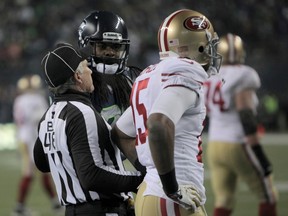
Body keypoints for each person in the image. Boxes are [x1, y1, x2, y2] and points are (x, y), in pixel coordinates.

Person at [111, 9, 222, 216]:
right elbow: (159, 123)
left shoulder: (153, 75)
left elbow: (120, 132)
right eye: (207, 44)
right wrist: (172, 187)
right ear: (193, 45)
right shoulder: (184, 74)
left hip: (154, 191)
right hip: (170, 197)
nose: (211, 51)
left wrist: (151, 170)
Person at [33, 43, 144, 216]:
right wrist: (139, 180)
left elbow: (42, 163)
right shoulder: (81, 113)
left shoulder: (48, 116)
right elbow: (91, 176)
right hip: (102, 210)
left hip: (75, 210)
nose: (91, 71)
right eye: (86, 67)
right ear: (77, 76)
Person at [204, 33, 278, 216]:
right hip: (237, 142)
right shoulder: (244, 74)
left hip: (214, 144)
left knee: (224, 198)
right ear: (240, 52)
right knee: (268, 196)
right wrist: (258, 151)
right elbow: (245, 112)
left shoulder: (211, 76)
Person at [78, 10, 142, 126]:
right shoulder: (77, 83)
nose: (110, 52)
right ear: (86, 47)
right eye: (102, 46)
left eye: (116, 46)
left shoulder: (135, 78)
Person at [12, 74, 62, 216]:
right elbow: (42, 117)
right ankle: (19, 207)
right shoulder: (35, 99)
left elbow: (20, 120)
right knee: (31, 171)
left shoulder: (19, 99)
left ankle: (54, 203)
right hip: (31, 138)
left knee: (43, 171)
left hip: (26, 137)